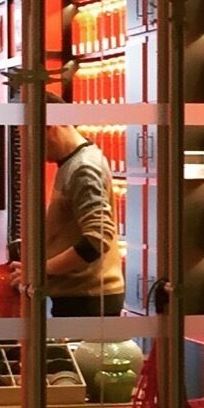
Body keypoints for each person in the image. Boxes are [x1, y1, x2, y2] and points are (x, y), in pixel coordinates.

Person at [42, 122, 123, 317]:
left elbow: (97, 239)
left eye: (31, 137)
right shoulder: (74, 163)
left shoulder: (83, 168)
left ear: (52, 126)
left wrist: (43, 270)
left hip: (87, 299)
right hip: (81, 296)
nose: (30, 147)